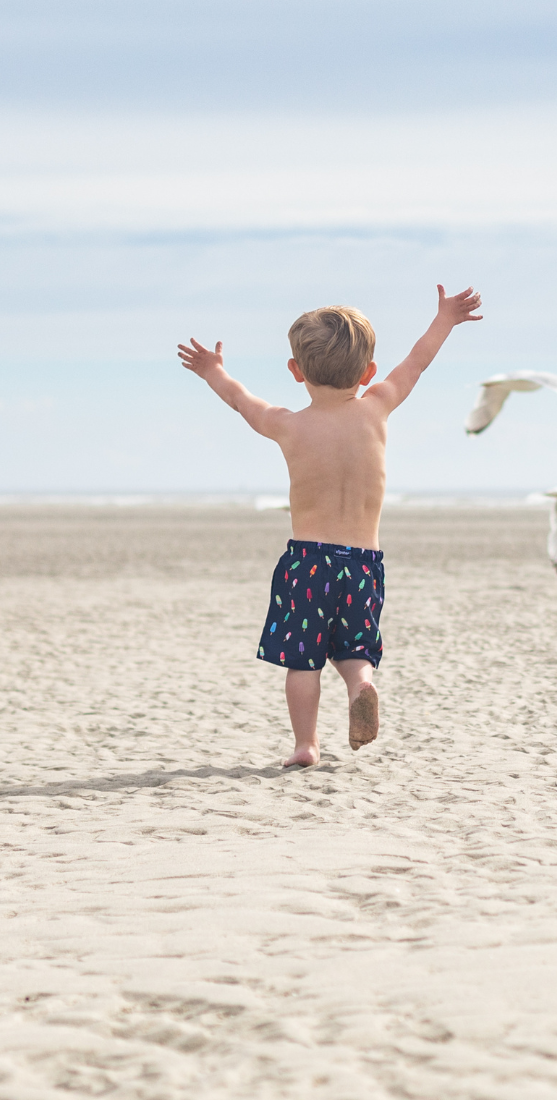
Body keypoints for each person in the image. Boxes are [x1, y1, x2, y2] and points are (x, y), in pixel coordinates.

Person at [177, 284, 484, 766]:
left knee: (302, 660)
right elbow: (417, 363)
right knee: (353, 648)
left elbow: (240, 400)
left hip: (308, 563)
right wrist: (445, 318)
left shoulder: (286, 424)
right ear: (368, 372)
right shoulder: (378, 406)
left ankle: (306, 745)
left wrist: (213, 370)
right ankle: (361, 684)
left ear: (296, 372)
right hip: (363, 563)